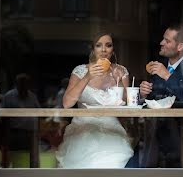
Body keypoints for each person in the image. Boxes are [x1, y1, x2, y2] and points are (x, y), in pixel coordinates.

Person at [56, 32, 133, 168]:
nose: (103, 50)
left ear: (112, 49)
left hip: (111, 128)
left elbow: (129, 104)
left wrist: (119, 81)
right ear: (92, 49)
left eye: (108, 45)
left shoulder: (121, 71)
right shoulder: (80, 71)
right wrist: (87, 77)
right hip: (83, 126)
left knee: (115, 160)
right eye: (99, 45)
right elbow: (67, 103)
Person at [139, 24, 183, 168]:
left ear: (180, 46)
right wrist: (143, 94)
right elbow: (154, 99)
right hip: (156, 143)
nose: (161, 43)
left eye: (167, 41)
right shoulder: (160, 65)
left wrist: (167, 76)